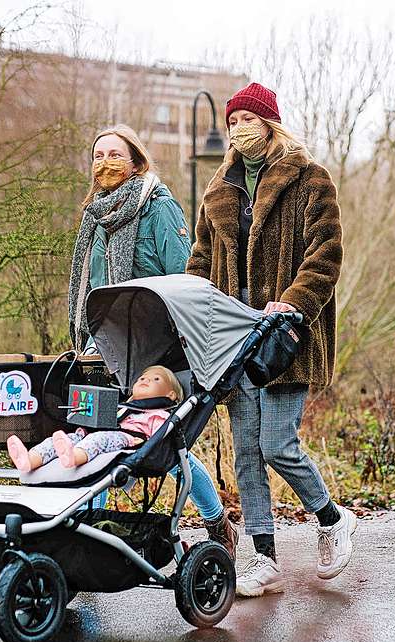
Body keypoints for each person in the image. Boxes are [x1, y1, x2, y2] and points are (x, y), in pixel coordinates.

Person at [187, 82, 357, 597]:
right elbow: (199, 260)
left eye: (247, 120)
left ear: (270, 124)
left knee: (278, 444)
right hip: (232, 337)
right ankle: (263, 556)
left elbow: (326, 253)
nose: (237, 129)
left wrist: (294, 303)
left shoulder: (311, 181)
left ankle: (331, 519)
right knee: (245, 452)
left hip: (285, 336)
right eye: (231, 121)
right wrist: (192, 311)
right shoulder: (218, 190)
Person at [67, 125, 238, 558]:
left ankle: (217, 521)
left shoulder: (157, 207)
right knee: (99, 434)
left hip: (158, 351)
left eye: (114, 155)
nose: (104, 163)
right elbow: (90, 287)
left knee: (160, 442)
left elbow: (186, 281)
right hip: (103, 348)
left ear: (136, 162)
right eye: (98, 155)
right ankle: (92, 533)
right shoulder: (93, 218)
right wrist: (85, 337)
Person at [5, 365, 181, 471]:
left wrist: (145, 443)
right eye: (142, 378)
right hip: (96, 432)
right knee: (62, 438)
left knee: (98, 439)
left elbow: (161, 436)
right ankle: (29, 460)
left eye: (156, 379)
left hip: (127, 439)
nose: (145, 380)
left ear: (171, 394)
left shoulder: (159, 414)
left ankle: (73, 457)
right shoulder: (123, 406)